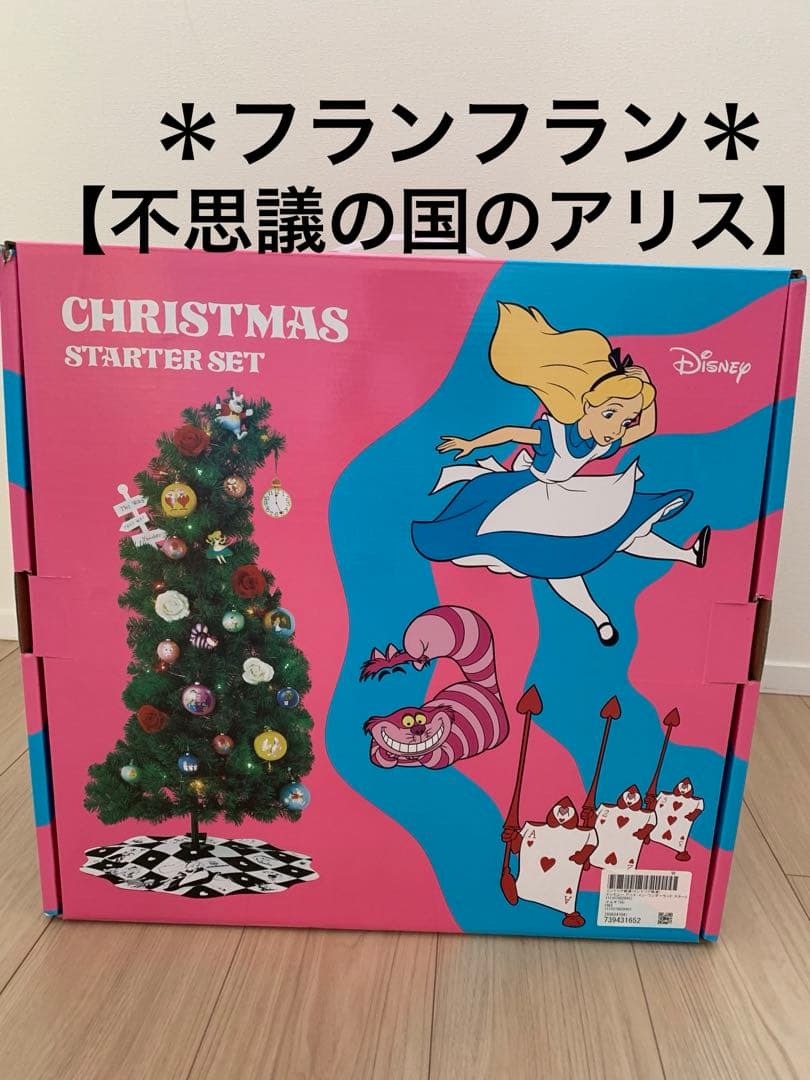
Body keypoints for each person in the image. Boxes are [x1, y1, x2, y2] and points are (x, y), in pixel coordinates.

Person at [411, 303, 710, 645]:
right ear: (588, 404)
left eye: (625, 420)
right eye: (611, 415)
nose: (616, 429)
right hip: (527, 496)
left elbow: (648, 427)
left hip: (568, 494)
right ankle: (599, 617)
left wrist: (648, 390)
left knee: (623, 530)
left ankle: (686, 555)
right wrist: (471, 444)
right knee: (557, 558)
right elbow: (510, 433)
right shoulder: (553, 434)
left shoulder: (602, 442)